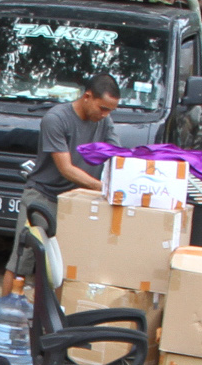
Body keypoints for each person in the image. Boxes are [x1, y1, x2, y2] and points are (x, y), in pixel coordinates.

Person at [9, 71, 121, 300]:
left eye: (110, 110)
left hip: (77, 201)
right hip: (43, 197)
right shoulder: (56, 119)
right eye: (103, 108)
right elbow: (66, 169)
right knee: (22, 262)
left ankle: (55, 320)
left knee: (64, 268)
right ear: (87, 96)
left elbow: (115, 156)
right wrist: (103, 187)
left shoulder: (105, 121)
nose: (106, 115)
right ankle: (2, 326)